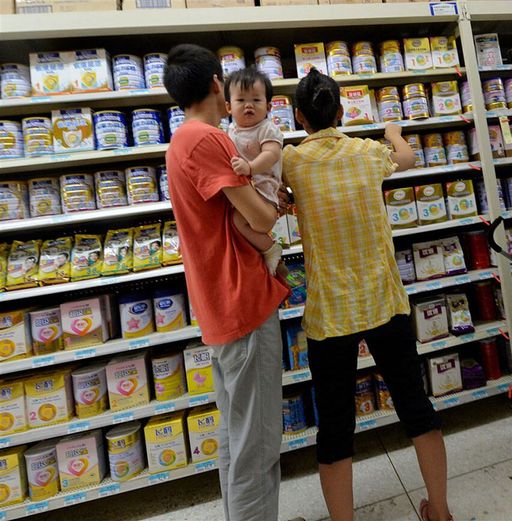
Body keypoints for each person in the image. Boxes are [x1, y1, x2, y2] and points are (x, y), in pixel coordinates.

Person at [281, 69, 453, 521]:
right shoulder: (369, 152)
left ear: (300, 117)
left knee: (336, 428)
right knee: (415, 406)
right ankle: (440, 511)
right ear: (340, 112)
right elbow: (408, 159)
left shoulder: (292, 160)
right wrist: (394, 132)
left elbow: (271, 182)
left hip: (329, 312)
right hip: (382, 300)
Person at [163, 44, 288, 521]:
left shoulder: (182, 140)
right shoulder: (207, 139)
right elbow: (260, 216)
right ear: (218, 83)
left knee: (238, 437)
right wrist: (277, 206)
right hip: (241, 302)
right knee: (256, 444)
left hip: (219, 301)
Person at [225, 67, 284, 275]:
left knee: (238, 222)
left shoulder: (267, 128)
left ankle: (270, 248)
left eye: (256, 100)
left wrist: (250, 167)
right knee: (234, 223)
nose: (248, 105)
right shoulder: (230, 130)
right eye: (241, 100)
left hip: (263, 188)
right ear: (228, 107)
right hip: (244, 188)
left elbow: (272, 154)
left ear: (268, 106)